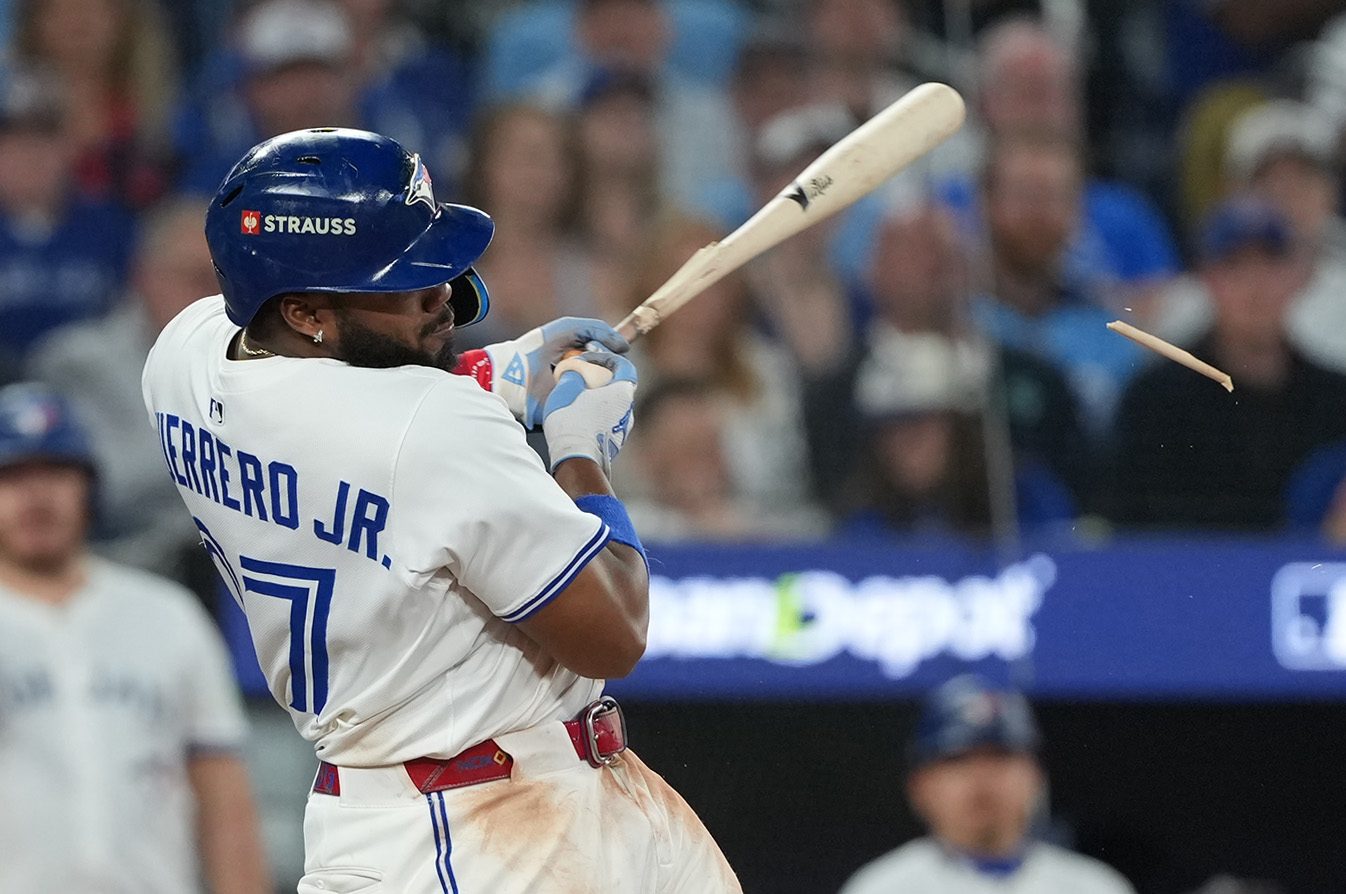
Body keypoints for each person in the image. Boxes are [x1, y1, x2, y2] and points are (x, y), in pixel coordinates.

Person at [141, 127, 741, 893]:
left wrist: (492, 372)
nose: (442, 295)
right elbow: (614, 632)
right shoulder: (435, 430)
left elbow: (348, 415)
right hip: (485, 834)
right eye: (402, 281)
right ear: (304, 313)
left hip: (393, 816)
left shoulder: (183, 356)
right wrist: (580, 451)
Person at [0, 381, 270, 892]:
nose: (36, 496)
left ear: (90, 487)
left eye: (56, 472)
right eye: (13, 476)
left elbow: (223, 797)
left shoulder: (167, 616)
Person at [1111, 197, 1346, 530]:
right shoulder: (1154, 401)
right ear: (1206, 278)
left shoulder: (1336, 400)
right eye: (1234, 264)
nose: (1256, 284)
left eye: (1271, 261)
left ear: (1300, 276)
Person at [27, 196, 217, 576]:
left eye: (224, 279)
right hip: (125, 570)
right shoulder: (76, 360)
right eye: (197, 277)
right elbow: (101, 486)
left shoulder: (255, 362)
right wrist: (224, 441)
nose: (213, 295)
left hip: (231, 576)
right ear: (144, 275)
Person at [839, 674, 1136, 894]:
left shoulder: (1095, 887)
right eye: (958, 761)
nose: (981, 778)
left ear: (1035, 776)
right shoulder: (880, 888)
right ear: (921, 785)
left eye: (1000, 757)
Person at [0, 69, 137, 363]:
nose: (31, 153)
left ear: (70, 146)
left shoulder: (110, 227)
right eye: (11, 140)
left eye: (45, 137)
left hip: (86, 390)